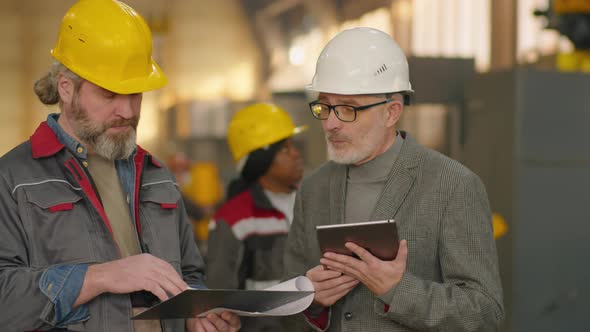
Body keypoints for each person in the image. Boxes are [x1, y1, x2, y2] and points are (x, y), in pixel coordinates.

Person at [0, 1, 240, 331]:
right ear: (67, 89)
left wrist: (195, 315)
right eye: (110, 94)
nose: (127, 110)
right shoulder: (14, 179)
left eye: (135, 93)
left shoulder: (157, 176)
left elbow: (189, 276)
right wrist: (101, 276)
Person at [282, 27, 504, 331]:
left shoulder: (452, 185)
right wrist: (311, 301)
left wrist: (397, 290)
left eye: (348, 109)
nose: (331, 123)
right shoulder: (313, 188)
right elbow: (286, 308)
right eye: (324, 106)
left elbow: (484, 312)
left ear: (391, 112)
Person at [207, 103, 306, 331]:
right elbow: (219, 300)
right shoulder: (234, 219)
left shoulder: (311, 203)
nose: (296, 153)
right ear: (261, 160)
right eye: (285, 148)